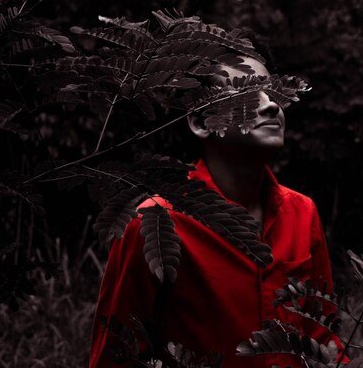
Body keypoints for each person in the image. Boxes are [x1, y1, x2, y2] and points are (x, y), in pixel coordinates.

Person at [90, 56, 340, 368]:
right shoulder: (153, 223)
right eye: (245, 95)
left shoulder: (303, 213)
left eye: (272, 93)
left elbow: (325, 339)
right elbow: (116, 356)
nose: (271, 105)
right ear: (201, 122)